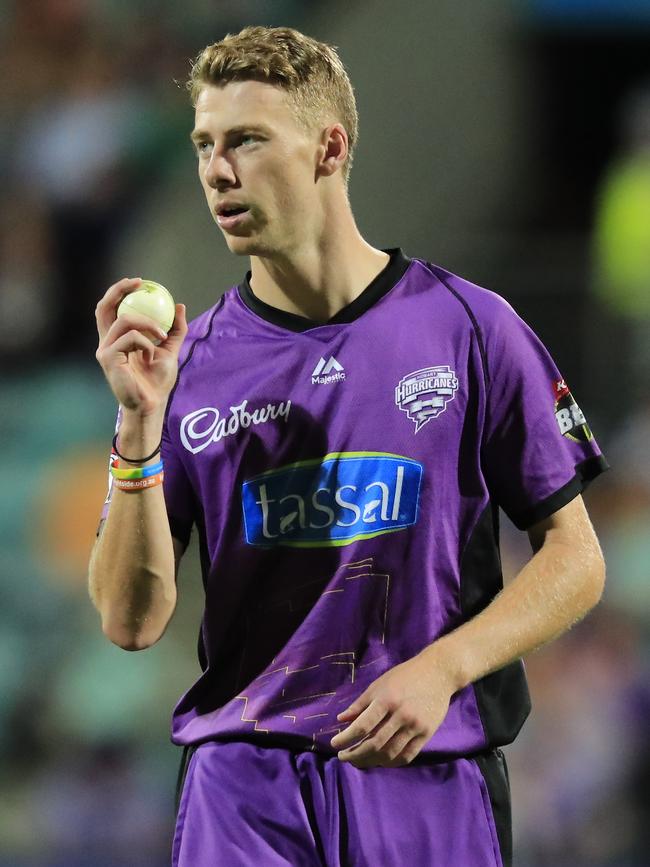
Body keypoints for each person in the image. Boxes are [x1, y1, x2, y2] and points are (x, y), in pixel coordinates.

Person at [89, 25, 608, 867]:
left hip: (428, 774)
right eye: (204, 146)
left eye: (247, 141)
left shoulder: (472, 327)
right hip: (244, 788)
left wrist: (445, 668)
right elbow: (129, 618)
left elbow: (577, 559)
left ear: (328, 148)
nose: (217, 171)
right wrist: (138, 429)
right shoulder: (188, 366)